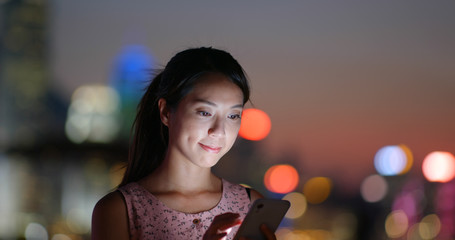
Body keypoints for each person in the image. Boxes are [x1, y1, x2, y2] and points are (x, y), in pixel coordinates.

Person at [91, 47, 276, 240]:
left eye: (233, 115)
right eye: (205, 112)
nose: (219, 131)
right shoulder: (120, 210)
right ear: (165, 112)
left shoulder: (249, 205)